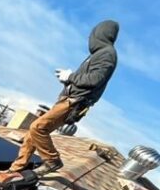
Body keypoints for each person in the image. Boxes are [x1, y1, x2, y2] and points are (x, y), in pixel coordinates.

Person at [10, 19, 119, 176]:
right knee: (31, 135)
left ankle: (52, 160)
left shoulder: (107, 54)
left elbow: (95, 79)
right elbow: (86, 78)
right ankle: (16, 168)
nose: (90, 39)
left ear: (101, 34)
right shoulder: (99, 54)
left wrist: (71, 76)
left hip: (74, 102)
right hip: (68, 99)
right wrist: (67, 80)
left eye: (92, 35)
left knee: (37, 128)